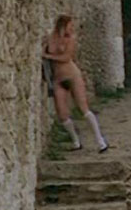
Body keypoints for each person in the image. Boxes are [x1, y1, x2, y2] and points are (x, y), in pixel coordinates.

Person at [43, 14, 109, 153]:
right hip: (58, 79)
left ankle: (100, 140)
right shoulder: (51, 38)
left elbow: (66, 57)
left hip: (72, 75)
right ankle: (75, 141)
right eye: (70, 26)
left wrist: (48, 56)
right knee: (62, 113)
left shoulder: (71, 39)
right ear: (62, 25)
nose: (72, 28)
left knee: (83, 108)